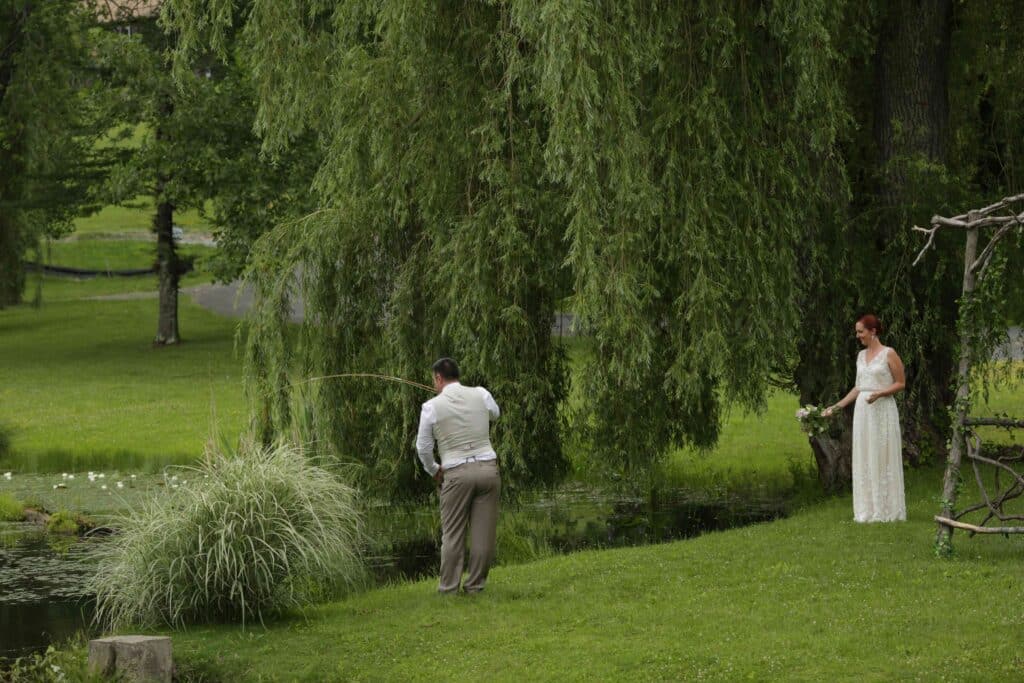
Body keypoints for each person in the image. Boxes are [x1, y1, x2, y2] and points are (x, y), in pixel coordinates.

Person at [415, 357, 501, 593]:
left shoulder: (431, 407)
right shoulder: (481, 394)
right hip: (488, 469)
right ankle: (475, 586)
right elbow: (495, 414)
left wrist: (434, 469)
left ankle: (449, 588)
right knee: (483, 534)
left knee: (453, 534)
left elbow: (422, 447)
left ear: (439, 378)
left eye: (434, 380)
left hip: (456, 473)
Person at [823, 314, 907, 522]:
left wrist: (880, 393)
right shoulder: (861, 356)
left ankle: (887, 509)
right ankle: (867, 510)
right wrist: (836, 407)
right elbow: (859, 387)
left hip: (882, 409)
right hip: (863, 411)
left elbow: (901, 382)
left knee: (881, 453)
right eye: (857, 332)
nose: (858, 335)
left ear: (873, 331)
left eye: (860, 331)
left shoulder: (889, 353)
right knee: (865, 454)